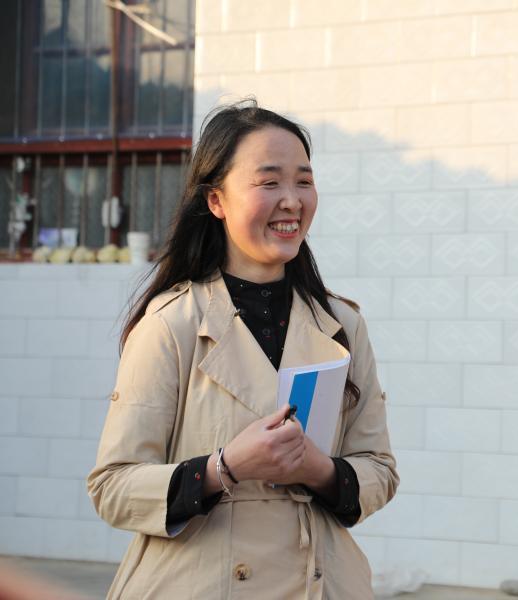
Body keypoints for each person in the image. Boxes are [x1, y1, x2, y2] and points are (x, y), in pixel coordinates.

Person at [87, 101, 398, 599]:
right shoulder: (172, 324)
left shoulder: (342, 324)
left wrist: (316, 469)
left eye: (304, 181)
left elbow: (379, 468)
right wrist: (225, 466)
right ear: (216, 200)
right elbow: (113, 487)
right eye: (269, 182)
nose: (292, 201)